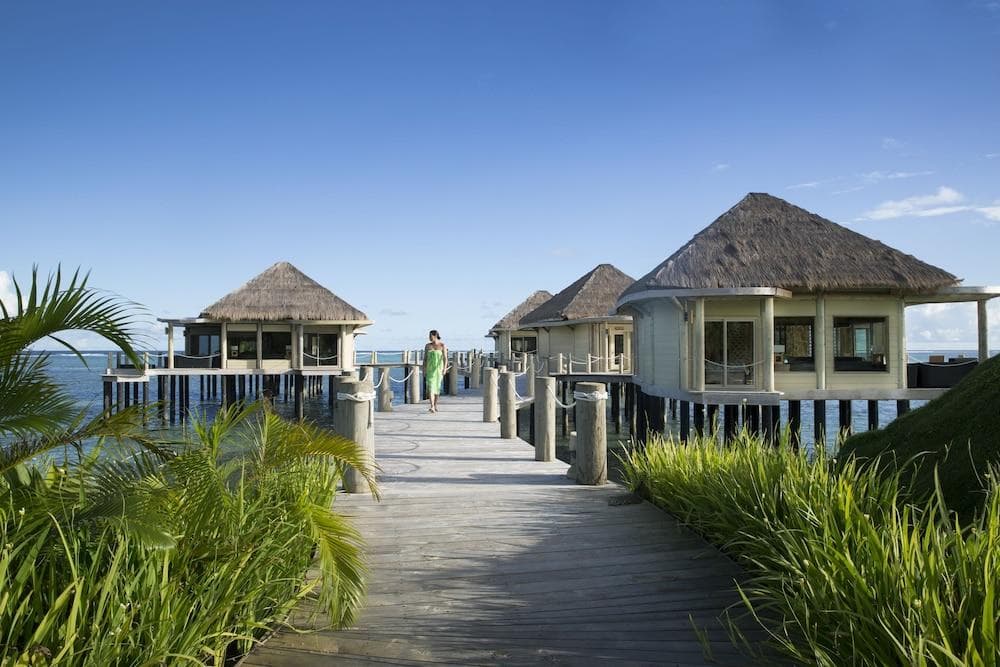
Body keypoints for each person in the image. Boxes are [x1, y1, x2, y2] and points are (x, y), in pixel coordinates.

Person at [423, 329, 448, 413]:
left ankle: (435, 405)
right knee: (430, 387)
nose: (429, 338)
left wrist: (444, 369)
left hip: (438, 370)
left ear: (435, 336)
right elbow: (425, 358)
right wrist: (424, 369)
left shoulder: (442, 345)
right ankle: (432, 406)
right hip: (430, 369)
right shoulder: (427, 346)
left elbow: (445, 358)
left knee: (437, 388)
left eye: (430, 336)